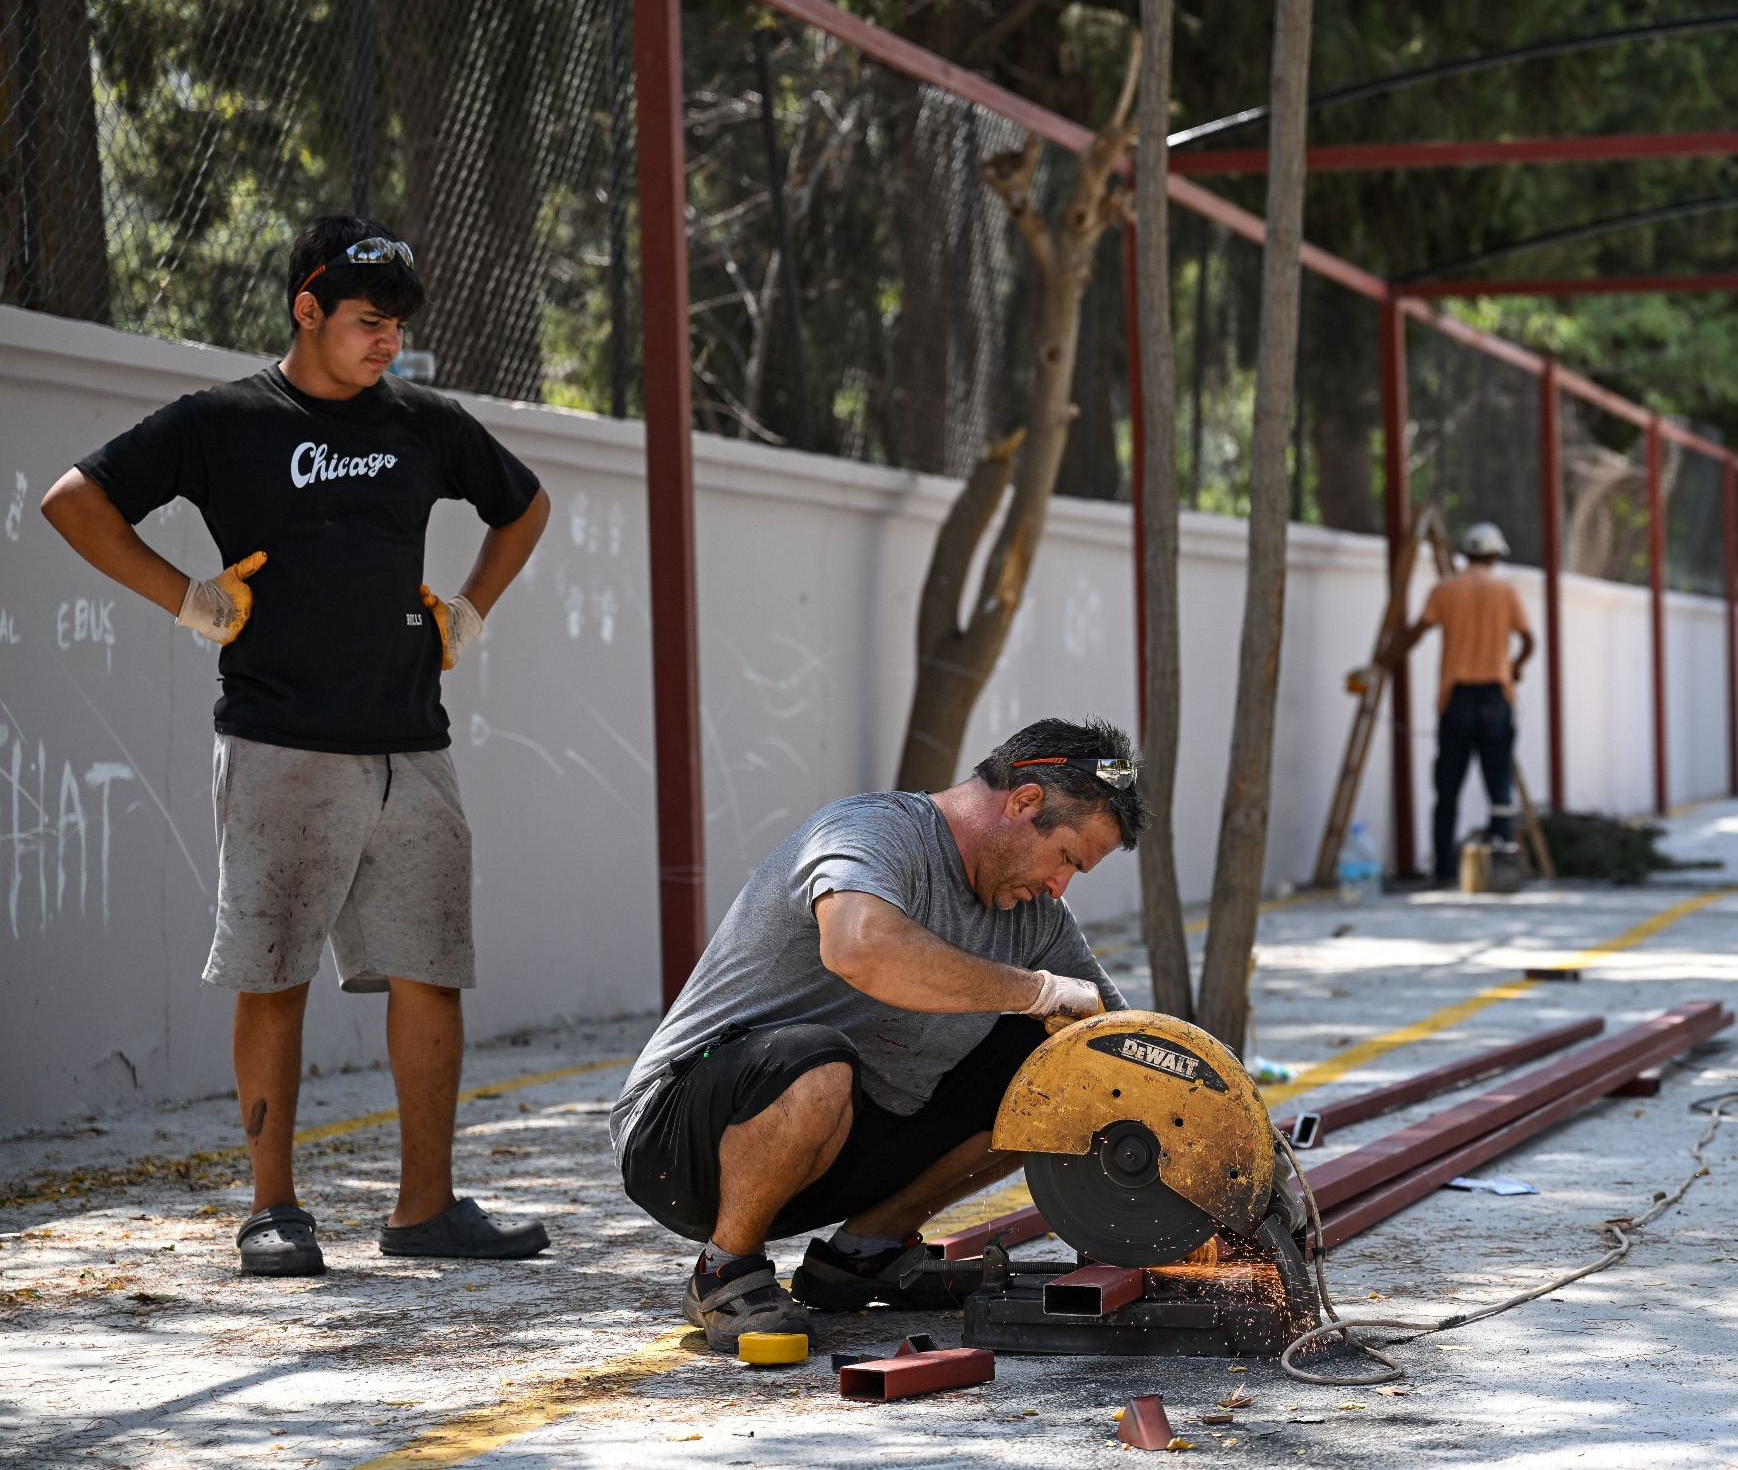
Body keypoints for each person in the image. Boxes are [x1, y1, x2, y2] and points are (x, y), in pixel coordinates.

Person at [41, 215, 553, 1277]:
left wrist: (469, 611)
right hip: (280, 738)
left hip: (412, 742)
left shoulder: (423, 420)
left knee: (430, 971)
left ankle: (427, 1209)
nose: (388, 346)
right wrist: (186, 597)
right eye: (369, 323)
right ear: (305, 308)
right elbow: (75, 502)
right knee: (272, 973)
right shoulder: (223, 421)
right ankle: (272, 1209)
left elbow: (524, 505)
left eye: (399, 328)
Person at [609, 717, 1147, 1354]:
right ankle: (727, 1269)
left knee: (1060, 1066)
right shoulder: (873, 831)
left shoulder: (1038, 919)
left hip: (840, 1153)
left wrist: (1225, 1147)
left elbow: (1123, 1055)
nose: (1060, 886)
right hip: (682, 1145)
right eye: (1065, 859)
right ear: (1025, 802)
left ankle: (864, 1255)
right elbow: (859, 949)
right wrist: (1037, 992)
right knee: (816, 1058)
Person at [1396, 522, 1535, 882]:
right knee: (1499, 785)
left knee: (1447, 788)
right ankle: (1502, 867)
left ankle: (1443, 868)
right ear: (1493, 555)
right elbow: (1529, 639)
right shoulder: (1506, 592)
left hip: (1456, 697)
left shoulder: (1445, 590)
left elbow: (1418, 631)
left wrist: (1383, 658)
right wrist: (1514, 667)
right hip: (1494, 696)